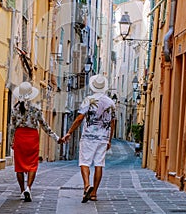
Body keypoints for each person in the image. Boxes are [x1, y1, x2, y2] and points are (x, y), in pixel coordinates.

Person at [62, 74, 116, 203]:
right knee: (99, 164)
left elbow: (80, 118)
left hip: (88, 137)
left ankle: (86, 186)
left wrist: (69, 132)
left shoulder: (88, 100)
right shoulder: (110, 102)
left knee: (84, 162)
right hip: (103, 138)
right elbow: (113, 122)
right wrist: (109, 139)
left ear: (93, 86)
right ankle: (94, 193)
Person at [11, 81, 62, 202]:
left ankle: (22, 190)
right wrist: (56, 138)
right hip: (32, 138)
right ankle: (28, 188)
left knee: (19, 167)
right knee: (32, 165)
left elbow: (12, 127)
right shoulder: (36, 109)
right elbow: (45, 126)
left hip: (20, 137)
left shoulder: (15, 109)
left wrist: (11, 142)